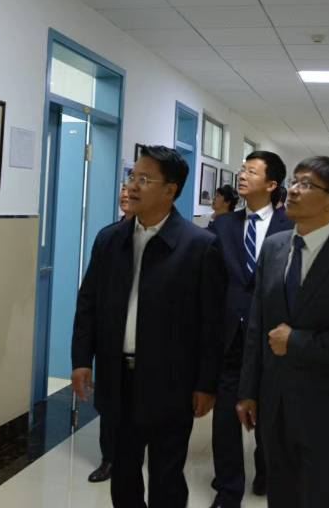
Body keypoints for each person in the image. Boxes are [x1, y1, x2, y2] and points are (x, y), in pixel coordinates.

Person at [71, 145, 226, 507]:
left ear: (170, 190)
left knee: (166, 476)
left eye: (144, 178)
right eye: (132, 176)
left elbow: (212, 324)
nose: (132, 185)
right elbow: (88, 303)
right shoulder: (110, 239)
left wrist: (206, 384)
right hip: (117, 378)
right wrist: (81, 360)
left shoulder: (200, 247)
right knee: (123, 473)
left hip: (170, 382)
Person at [237, 156, 329, 508]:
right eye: (294, 181)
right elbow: (258, 325)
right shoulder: (274, 248)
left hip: (328, 411)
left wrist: (296, 341)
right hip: (275, 406)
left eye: (306, 184)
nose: (292, 190)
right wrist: (248, 391)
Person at [208, 151, 291, 507]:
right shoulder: (223, 226)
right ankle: (228, 489)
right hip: (230, 336)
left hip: (273, 337)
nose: (242, 175)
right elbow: (212, 282)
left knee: (270, 415)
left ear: (271, 184)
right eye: (242, 169)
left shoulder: (291, 227)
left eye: (252, 171)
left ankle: (266, 471)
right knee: (225, 418)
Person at [89, 183, 135, 484]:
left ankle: (132, 454)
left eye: (132, 189)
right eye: (123, 189)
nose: (125, 194)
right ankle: (109, 458)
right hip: (112, 337)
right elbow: (90, 294)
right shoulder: (108, 236)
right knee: (110, 403)